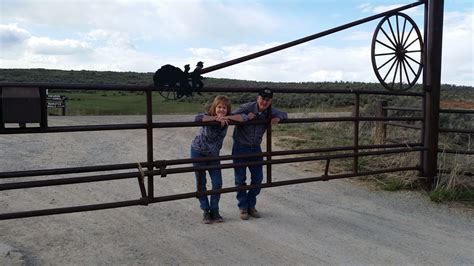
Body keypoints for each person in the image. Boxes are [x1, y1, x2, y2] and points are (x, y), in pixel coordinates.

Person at [231, 89, 288, 220]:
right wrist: (245, 117)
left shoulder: (269, 110)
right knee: (240, 179)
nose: (264, 101)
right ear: (257, 98)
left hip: (255, 148)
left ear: (270, 101)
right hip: (240, 146)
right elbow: (231, 115)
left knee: (258, 179)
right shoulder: (247, 107)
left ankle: (251, 205)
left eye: (267, 100)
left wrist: (278, 118)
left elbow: (285, 114)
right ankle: (243, 207)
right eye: (262, 98)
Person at [191, 95, 245, 224]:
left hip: (214, 154)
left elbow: (243, 117)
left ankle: (214, 210)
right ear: (214, 107)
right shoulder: (207, 115)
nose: (221, 110)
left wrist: (227, 118)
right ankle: (205, 210)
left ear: (228, 109)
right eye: (219, 107)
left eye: (224, 108)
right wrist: (215, 119)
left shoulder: (228, 118)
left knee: (217, 183)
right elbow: (196, 118)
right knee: (201, 182)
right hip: (198, 151)